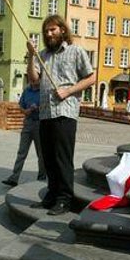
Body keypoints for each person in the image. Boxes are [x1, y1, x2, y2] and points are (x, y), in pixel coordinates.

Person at [26, 14, 95, 215]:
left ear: (62, 30)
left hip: (65, 112)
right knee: (48, 157)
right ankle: (52, 194)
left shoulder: (75, 51)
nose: (49, 34)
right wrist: (31, 55)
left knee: (62, 157)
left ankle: (65, 199)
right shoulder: (43, 55)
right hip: (46, 113)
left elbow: (91, 78)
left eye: (53, 30)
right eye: (46, 31)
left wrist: (68, 91)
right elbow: (33, 80)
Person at [2, 78, 45, 187]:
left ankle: (42, 177)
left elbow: (49, 106)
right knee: (21, 152)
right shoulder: (27, 91)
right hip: (28, 123)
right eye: (32, 78)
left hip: (40, 124)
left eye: (35, 78)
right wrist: (25, 111)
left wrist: (38, 108)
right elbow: (21, 105)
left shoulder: (44, 90)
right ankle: (14, 178)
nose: (33, 80)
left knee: (41, 154)